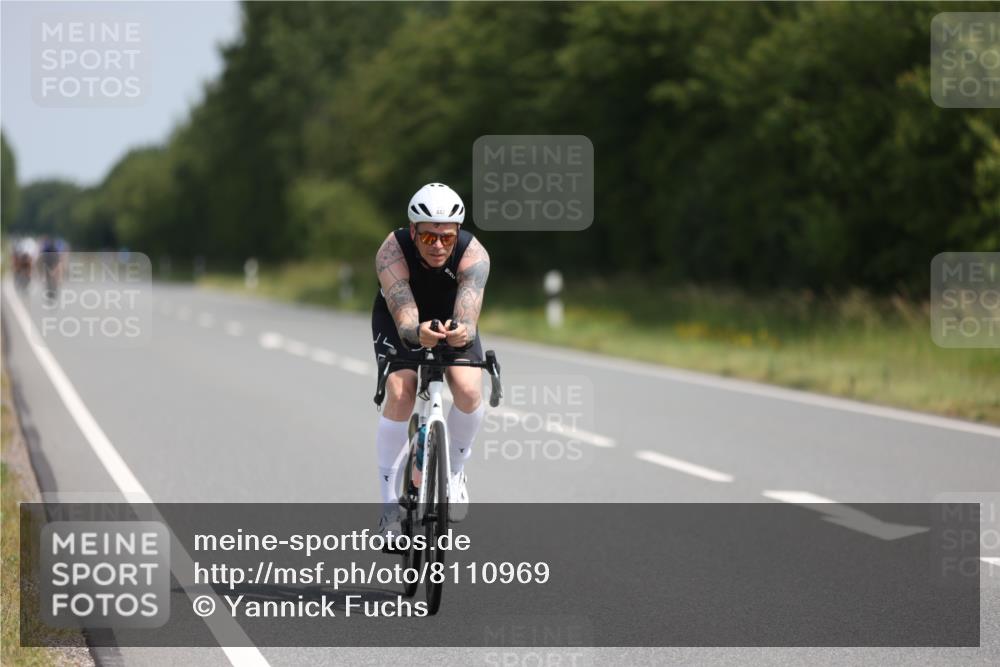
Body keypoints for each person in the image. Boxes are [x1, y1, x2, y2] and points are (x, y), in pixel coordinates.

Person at [371, 183, 490, 537]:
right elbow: (405, 316)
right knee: (401, 388)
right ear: (413, 231)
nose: (438, 246)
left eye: (446, 238)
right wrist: (414, 331)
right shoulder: (392, 251)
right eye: (428, 238)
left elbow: (468, 317)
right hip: (400, 319)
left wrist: (462, 332)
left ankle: (454, 472)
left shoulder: (474, 254)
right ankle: (389, 507)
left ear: (457, 235)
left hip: (450, 316)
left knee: (469, 390)